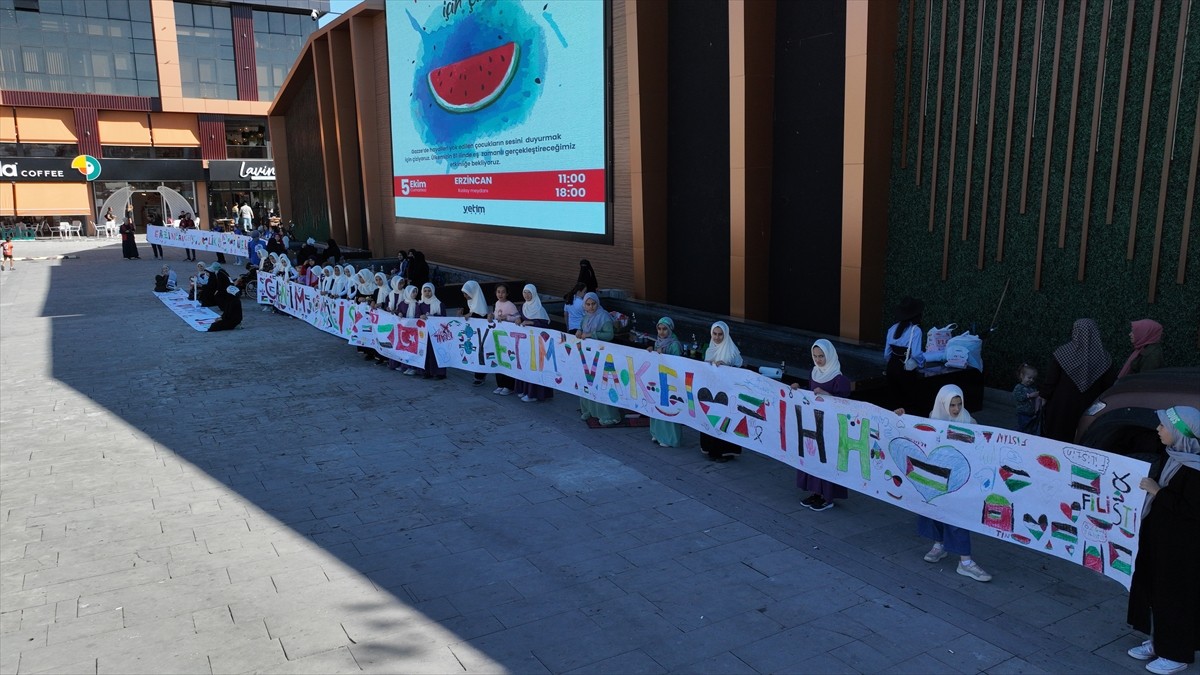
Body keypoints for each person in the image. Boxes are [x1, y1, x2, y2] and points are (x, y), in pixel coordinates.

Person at [1125, 406, 1200, 675]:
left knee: (1175, 596)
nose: (1158, 429)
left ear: (1182, 434)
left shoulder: (1195, 468)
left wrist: (1157, 491)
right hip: (1161, 540)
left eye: (1164, 426)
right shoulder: (1174, 456)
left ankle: (1176, 653)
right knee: (1156, 590)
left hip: (1182, 548)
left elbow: (1191, 510)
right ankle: (1159, 641)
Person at [916, 384, 992, 582]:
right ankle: (939, 545)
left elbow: (980, 449)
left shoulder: (969, 421)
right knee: (935, 513)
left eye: (959, 404)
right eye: (952, 405)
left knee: (958, 518)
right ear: (943, 404)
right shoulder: (932, 420)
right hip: (937, 478)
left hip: (960, 480)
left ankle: (965, 561)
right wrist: (900, 417)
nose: (956, 409)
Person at [790, 339, 852, 511]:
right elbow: (810, 391)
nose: (818, 360)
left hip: (831, 427)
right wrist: (798, 388)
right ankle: (816, 492)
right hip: (814, 423)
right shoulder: (814, 373)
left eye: (822, 356)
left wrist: (827, 395)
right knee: (813, 455)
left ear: (830, 355)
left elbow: (846, 404)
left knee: (826, 458)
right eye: (815, 356)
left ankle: (828, 496)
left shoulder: (840, 379)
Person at [1039, 318, 1116, 442]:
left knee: (1056, 439)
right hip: (1088, 406)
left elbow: (1051, 380)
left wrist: (1044, 397)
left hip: (1060, 406)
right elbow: (1108, 386)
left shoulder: (1063, 353)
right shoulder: (1104, 357)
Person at [700, 321, 745, 461]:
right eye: (715, 333)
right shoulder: (710, 349)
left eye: (720, 334)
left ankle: (725, 452)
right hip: (711, 391)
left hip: (727, 394)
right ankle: (710, 449)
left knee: (724, 421)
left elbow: (740, 369)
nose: (717, 337)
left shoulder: (731, 351)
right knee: (711, 418)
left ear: (726, 335)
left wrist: (726, 367)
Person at [577, 292, 622, 426]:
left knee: (602, 384)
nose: (591, 307)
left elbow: (609, 335)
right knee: (587, 382)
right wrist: (578, 332)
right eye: (588, 304)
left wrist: (592, 334)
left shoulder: (604, 317)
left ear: (598, 303)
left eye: (593, 304)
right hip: (587, 355)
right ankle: (589, 409)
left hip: (601, 356)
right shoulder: (585, 317)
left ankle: (608, 414)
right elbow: (581, 329)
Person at [646, 317, 684, 446]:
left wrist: (664, 355)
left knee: (669, 409)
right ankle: (657, 434)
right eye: (659, 329)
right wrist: (652, 352)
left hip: (671, 382)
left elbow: (677, 364)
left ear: (670, 330)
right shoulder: (658, 342)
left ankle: (670, 438)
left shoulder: (674, 344)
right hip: (659, 380)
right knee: (657, 406)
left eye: (664, 329)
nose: (661, 332)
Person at [513, 284, 554, 403]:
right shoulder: (524, 307)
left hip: (537, 344)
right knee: (525, 364)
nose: (526, 295)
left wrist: (531, 322)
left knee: (535, 366)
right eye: (525, 292)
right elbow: (520, 318)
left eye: (529, 293)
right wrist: (518, 319)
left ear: (534, 293)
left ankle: (534, 394)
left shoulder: (539, 309)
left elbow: (545, 325)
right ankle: (525, 390)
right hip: (526, 343)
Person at [884, 297, 925, 412]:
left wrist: (891, 363)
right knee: (908, 400)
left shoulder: (892, 328)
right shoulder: (916, 330)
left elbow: (886, 353)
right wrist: (921, 363)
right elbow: (916, 354)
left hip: (891, 366)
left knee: (893, 399)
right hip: (905, 369)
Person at [491, 284, 520, 396]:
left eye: (503, 292)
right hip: (498, 337)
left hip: (508, 338)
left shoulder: (510, 305)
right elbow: (495, 317)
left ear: (507, 293)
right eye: (498, 292)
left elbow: (517, 318)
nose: (500, 294)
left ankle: (509, 386)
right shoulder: (496, 304)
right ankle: (500, 384)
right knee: (499, 359)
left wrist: (507, 318)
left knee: (508, 360)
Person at [460, 280, 490, 386]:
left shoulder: (480, 305)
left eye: (466, 293)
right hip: (471, 334)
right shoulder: (471, 301)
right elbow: (468, 311)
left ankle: (480, 376)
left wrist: (470, 315)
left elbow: (480, 316)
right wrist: (463, 313)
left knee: (479, 353)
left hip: (479, 334)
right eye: (464, 293)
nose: (465, 296)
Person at [416, 283, 446, 379]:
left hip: (436, 333)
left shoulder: (439, 304)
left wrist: (433, 317)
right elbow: (416, 316)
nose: (427, 293)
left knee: (437, 352)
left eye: (429, 291)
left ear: (432, 291)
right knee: (425, 351)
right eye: (425, 291)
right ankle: (426, 372)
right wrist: (420, 316)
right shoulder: (420, 304)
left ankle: (440, 373)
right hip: (424, 333)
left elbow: (444, 318)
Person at [1012, 363, 1041, 433]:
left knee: (1030, 428)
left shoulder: (1032, 388)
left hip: (1031, 414)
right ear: (1022, 376)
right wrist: (1029, 395)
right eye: (1029, 378)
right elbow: (1018, 397)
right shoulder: (1019, 387)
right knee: (1023, 428)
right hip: (1023, 413)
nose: (1031, 380)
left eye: (1033, 379)